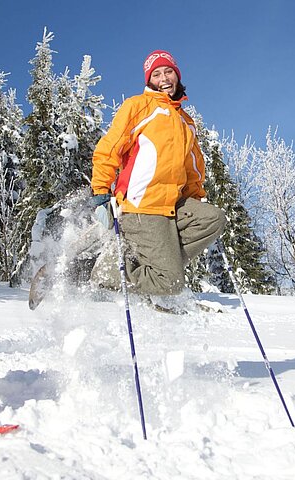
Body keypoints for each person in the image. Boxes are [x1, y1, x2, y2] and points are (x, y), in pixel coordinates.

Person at [89, 50, 226, 297]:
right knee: (171, 283)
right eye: (157, 74)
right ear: (149, 80)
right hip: (142, 205)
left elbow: (193, 166)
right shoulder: (138, 106)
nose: (164, 78)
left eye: (168, 71)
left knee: (212, 219)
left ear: (177, 75)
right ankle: (105, 271)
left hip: (172, 203)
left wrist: (195, 196)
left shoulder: (186, 121)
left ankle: (153, 267)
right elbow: (109, 148)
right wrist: (100, 191)